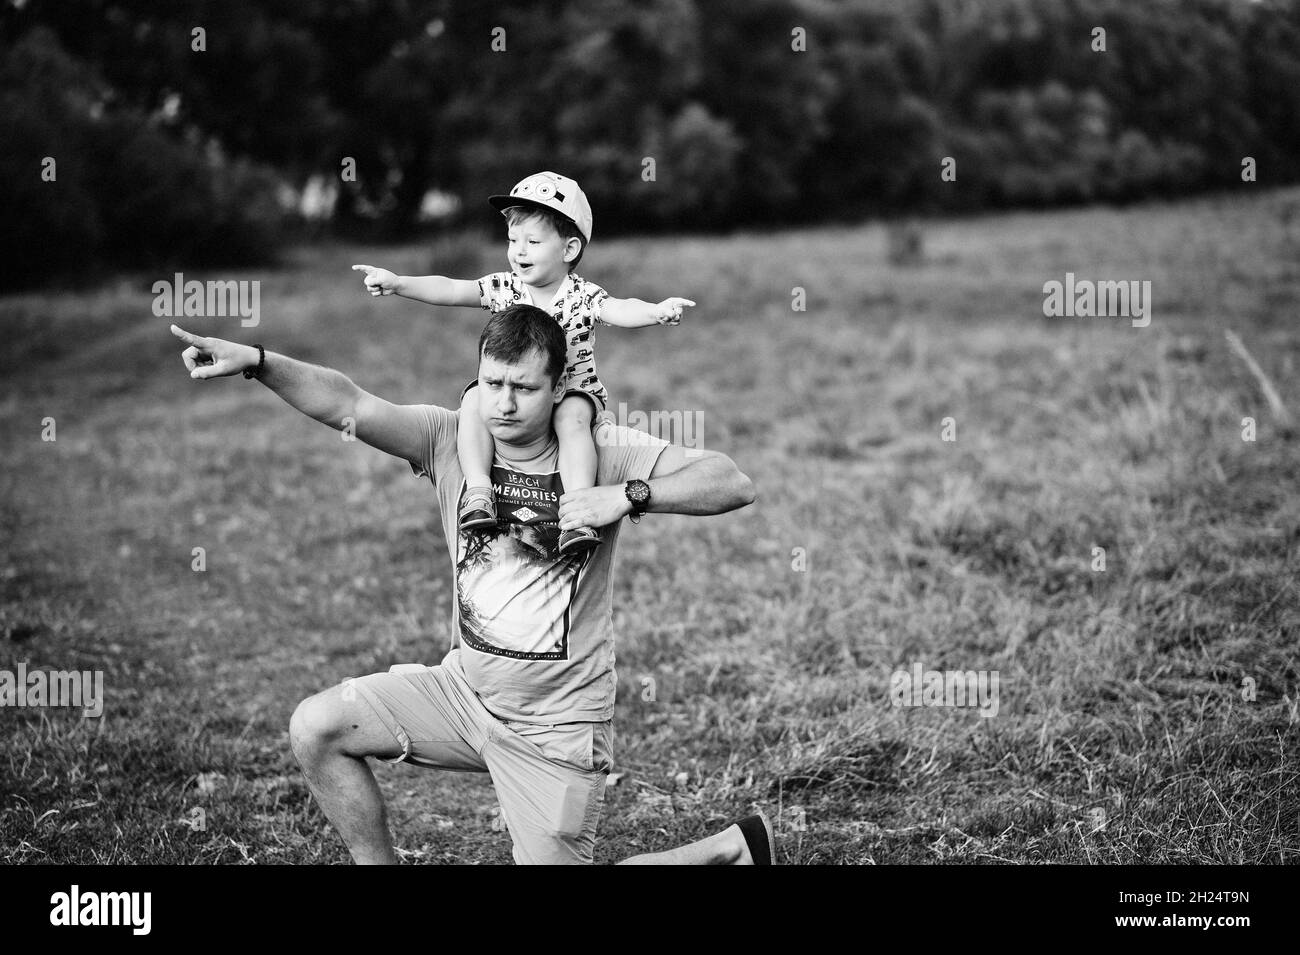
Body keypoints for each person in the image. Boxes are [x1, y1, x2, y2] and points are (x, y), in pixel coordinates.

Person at [168, 306, 773, 865]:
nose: (503, 405)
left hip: (555, 725)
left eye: (524, 388)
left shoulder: (602, 453)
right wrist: (258, 361)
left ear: (560, 389)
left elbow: (731, 481)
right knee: (316, 728)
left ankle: (725, 853)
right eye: (492, 384)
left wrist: (628, 496)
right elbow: (348, 403)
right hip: (463, 694)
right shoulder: (450, 439)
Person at [352, 170, 695, 556]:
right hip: (515, 389)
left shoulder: (582, 296)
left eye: (532, 241)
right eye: (513, 240)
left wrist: (656, 311)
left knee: (572, 419)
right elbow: (451, 288)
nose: (519, 251)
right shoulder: (505, 288)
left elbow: (620, 309)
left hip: (571, 391)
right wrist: (400, 283)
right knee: (472, 402)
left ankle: (578, 511)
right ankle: (479, 491)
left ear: (568, 250)